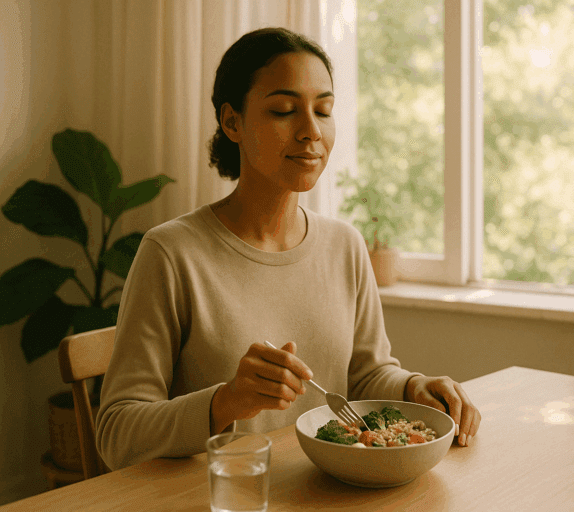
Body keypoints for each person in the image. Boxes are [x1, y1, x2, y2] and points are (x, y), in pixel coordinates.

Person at [95, 27, 480, 471]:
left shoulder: (344, 246)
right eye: (283, 110)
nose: (311, 131)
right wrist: (226, 402)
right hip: (225, 498)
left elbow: (367, 376)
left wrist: (414, 386)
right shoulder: (171, 253)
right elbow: (117, 434)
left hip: (325, 493)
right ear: (232, 121)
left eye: (324, 110)